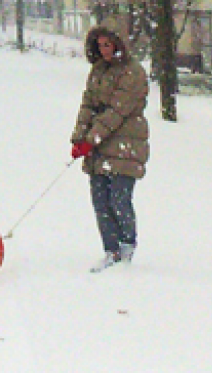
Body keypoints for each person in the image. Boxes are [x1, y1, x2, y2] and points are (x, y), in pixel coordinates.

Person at [70, 26, 150, 272]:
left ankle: (127, 247)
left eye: (108, 45)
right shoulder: (98, 71)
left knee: (119, 198)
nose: (104, 50)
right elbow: (88, 105)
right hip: (100, 147)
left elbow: (117, 111)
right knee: (100, 200)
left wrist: (92, 138)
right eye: (100, 45)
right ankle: (110, 249)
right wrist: (79, 137)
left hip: (126, 144)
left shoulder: (132, 72)